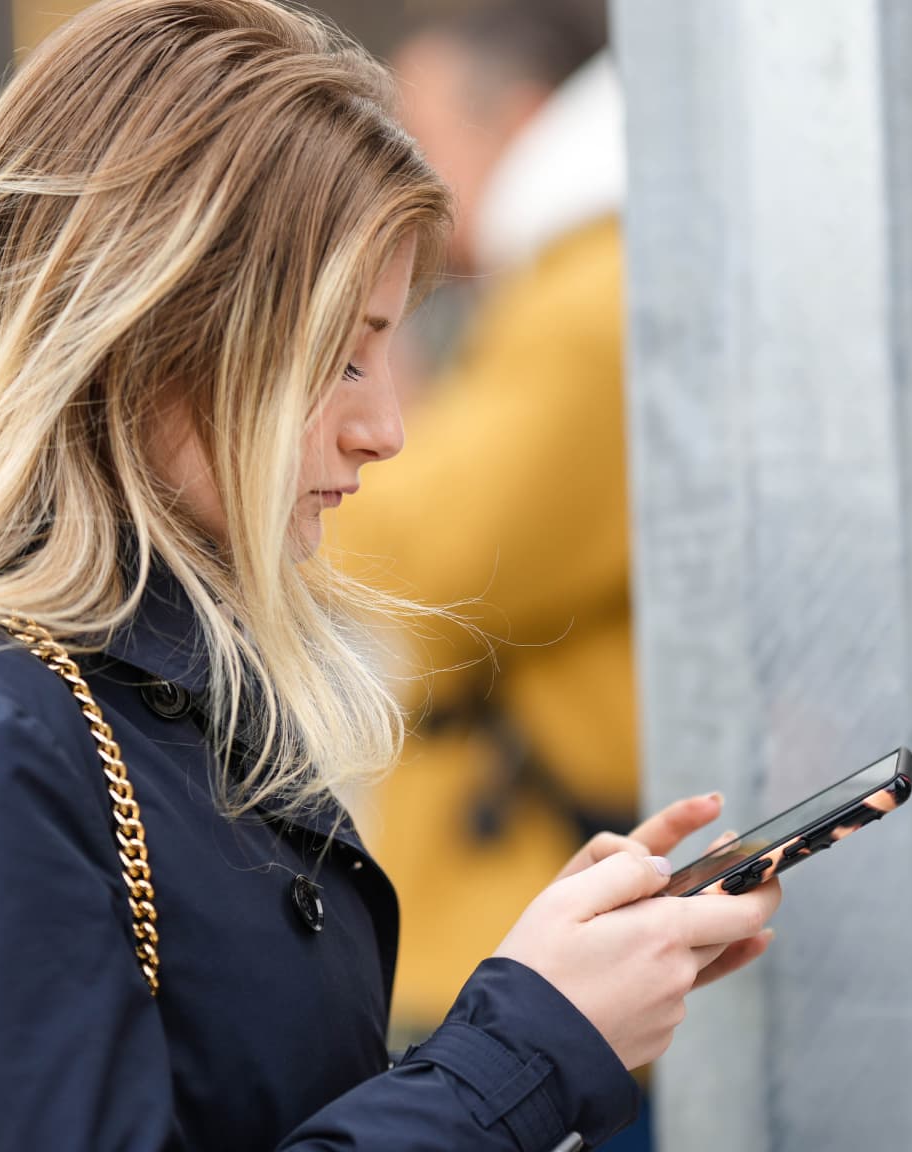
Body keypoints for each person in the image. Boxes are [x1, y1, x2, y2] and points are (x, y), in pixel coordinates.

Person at [0, 3, 777, 1149]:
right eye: (341, 355)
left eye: (394, 351)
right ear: (155, 327)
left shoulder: (128, 676)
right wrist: (528, 1041)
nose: (385, 427)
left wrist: (536, 989)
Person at [325, 3, 640, 1038]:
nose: (398, 173)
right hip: (532, 897)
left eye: (419, 132)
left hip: (529, 907)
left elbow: (441, 563)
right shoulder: (568, 284)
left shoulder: (588, 303)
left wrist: (350, 414)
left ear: (523, 116)